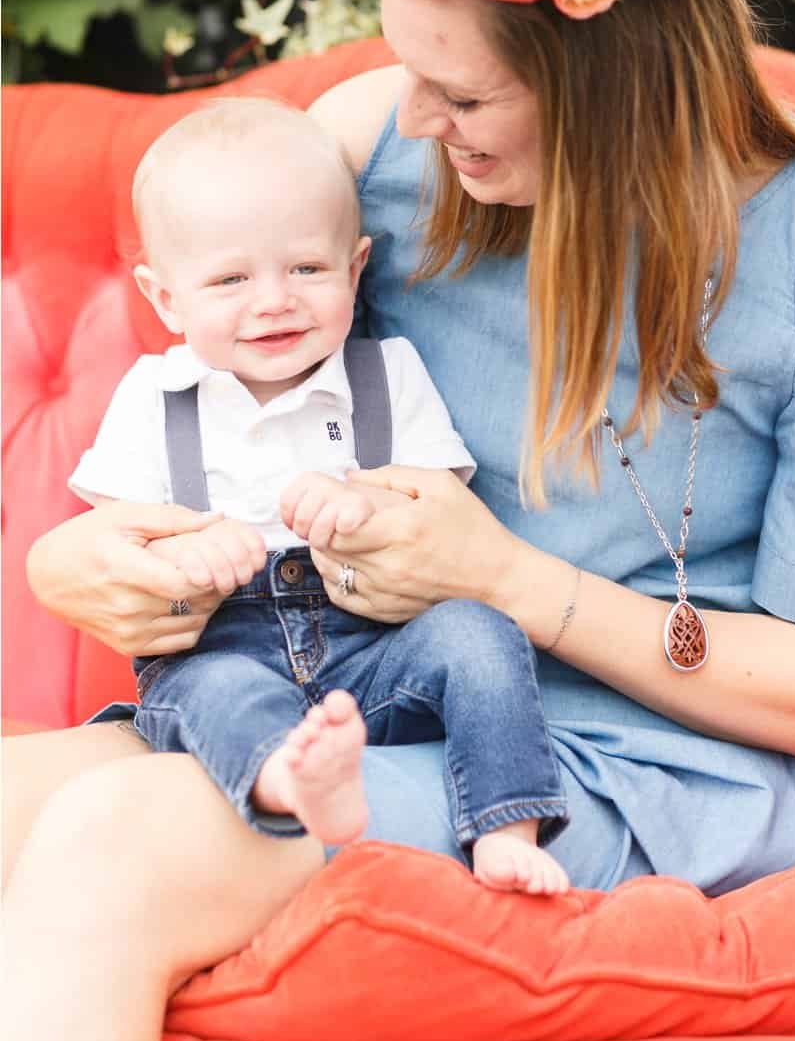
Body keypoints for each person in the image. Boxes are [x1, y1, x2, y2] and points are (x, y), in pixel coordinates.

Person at [4, 0, 795, 1041]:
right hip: (356, 694)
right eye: (403, 64)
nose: (409, 116)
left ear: (610, 87)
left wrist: (511, 580)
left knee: (122, 836)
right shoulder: (382, 151)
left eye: (458, 90)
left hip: (630, 765)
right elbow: (203, 392)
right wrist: (81, 560)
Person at [64, 96, 571, 894]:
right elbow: (116, 539)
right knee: (214, 694)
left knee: (478, 634)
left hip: (373, 648)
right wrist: (186, 552)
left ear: (356, 266)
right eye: (230, 279)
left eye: (306, 268)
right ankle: (292, 783)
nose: (274, 300)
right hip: (224, 647)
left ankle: (508, 823)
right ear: (165, 300)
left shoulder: (386, 374)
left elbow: (435, 507)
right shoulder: (156, 396)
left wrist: (363, 513)